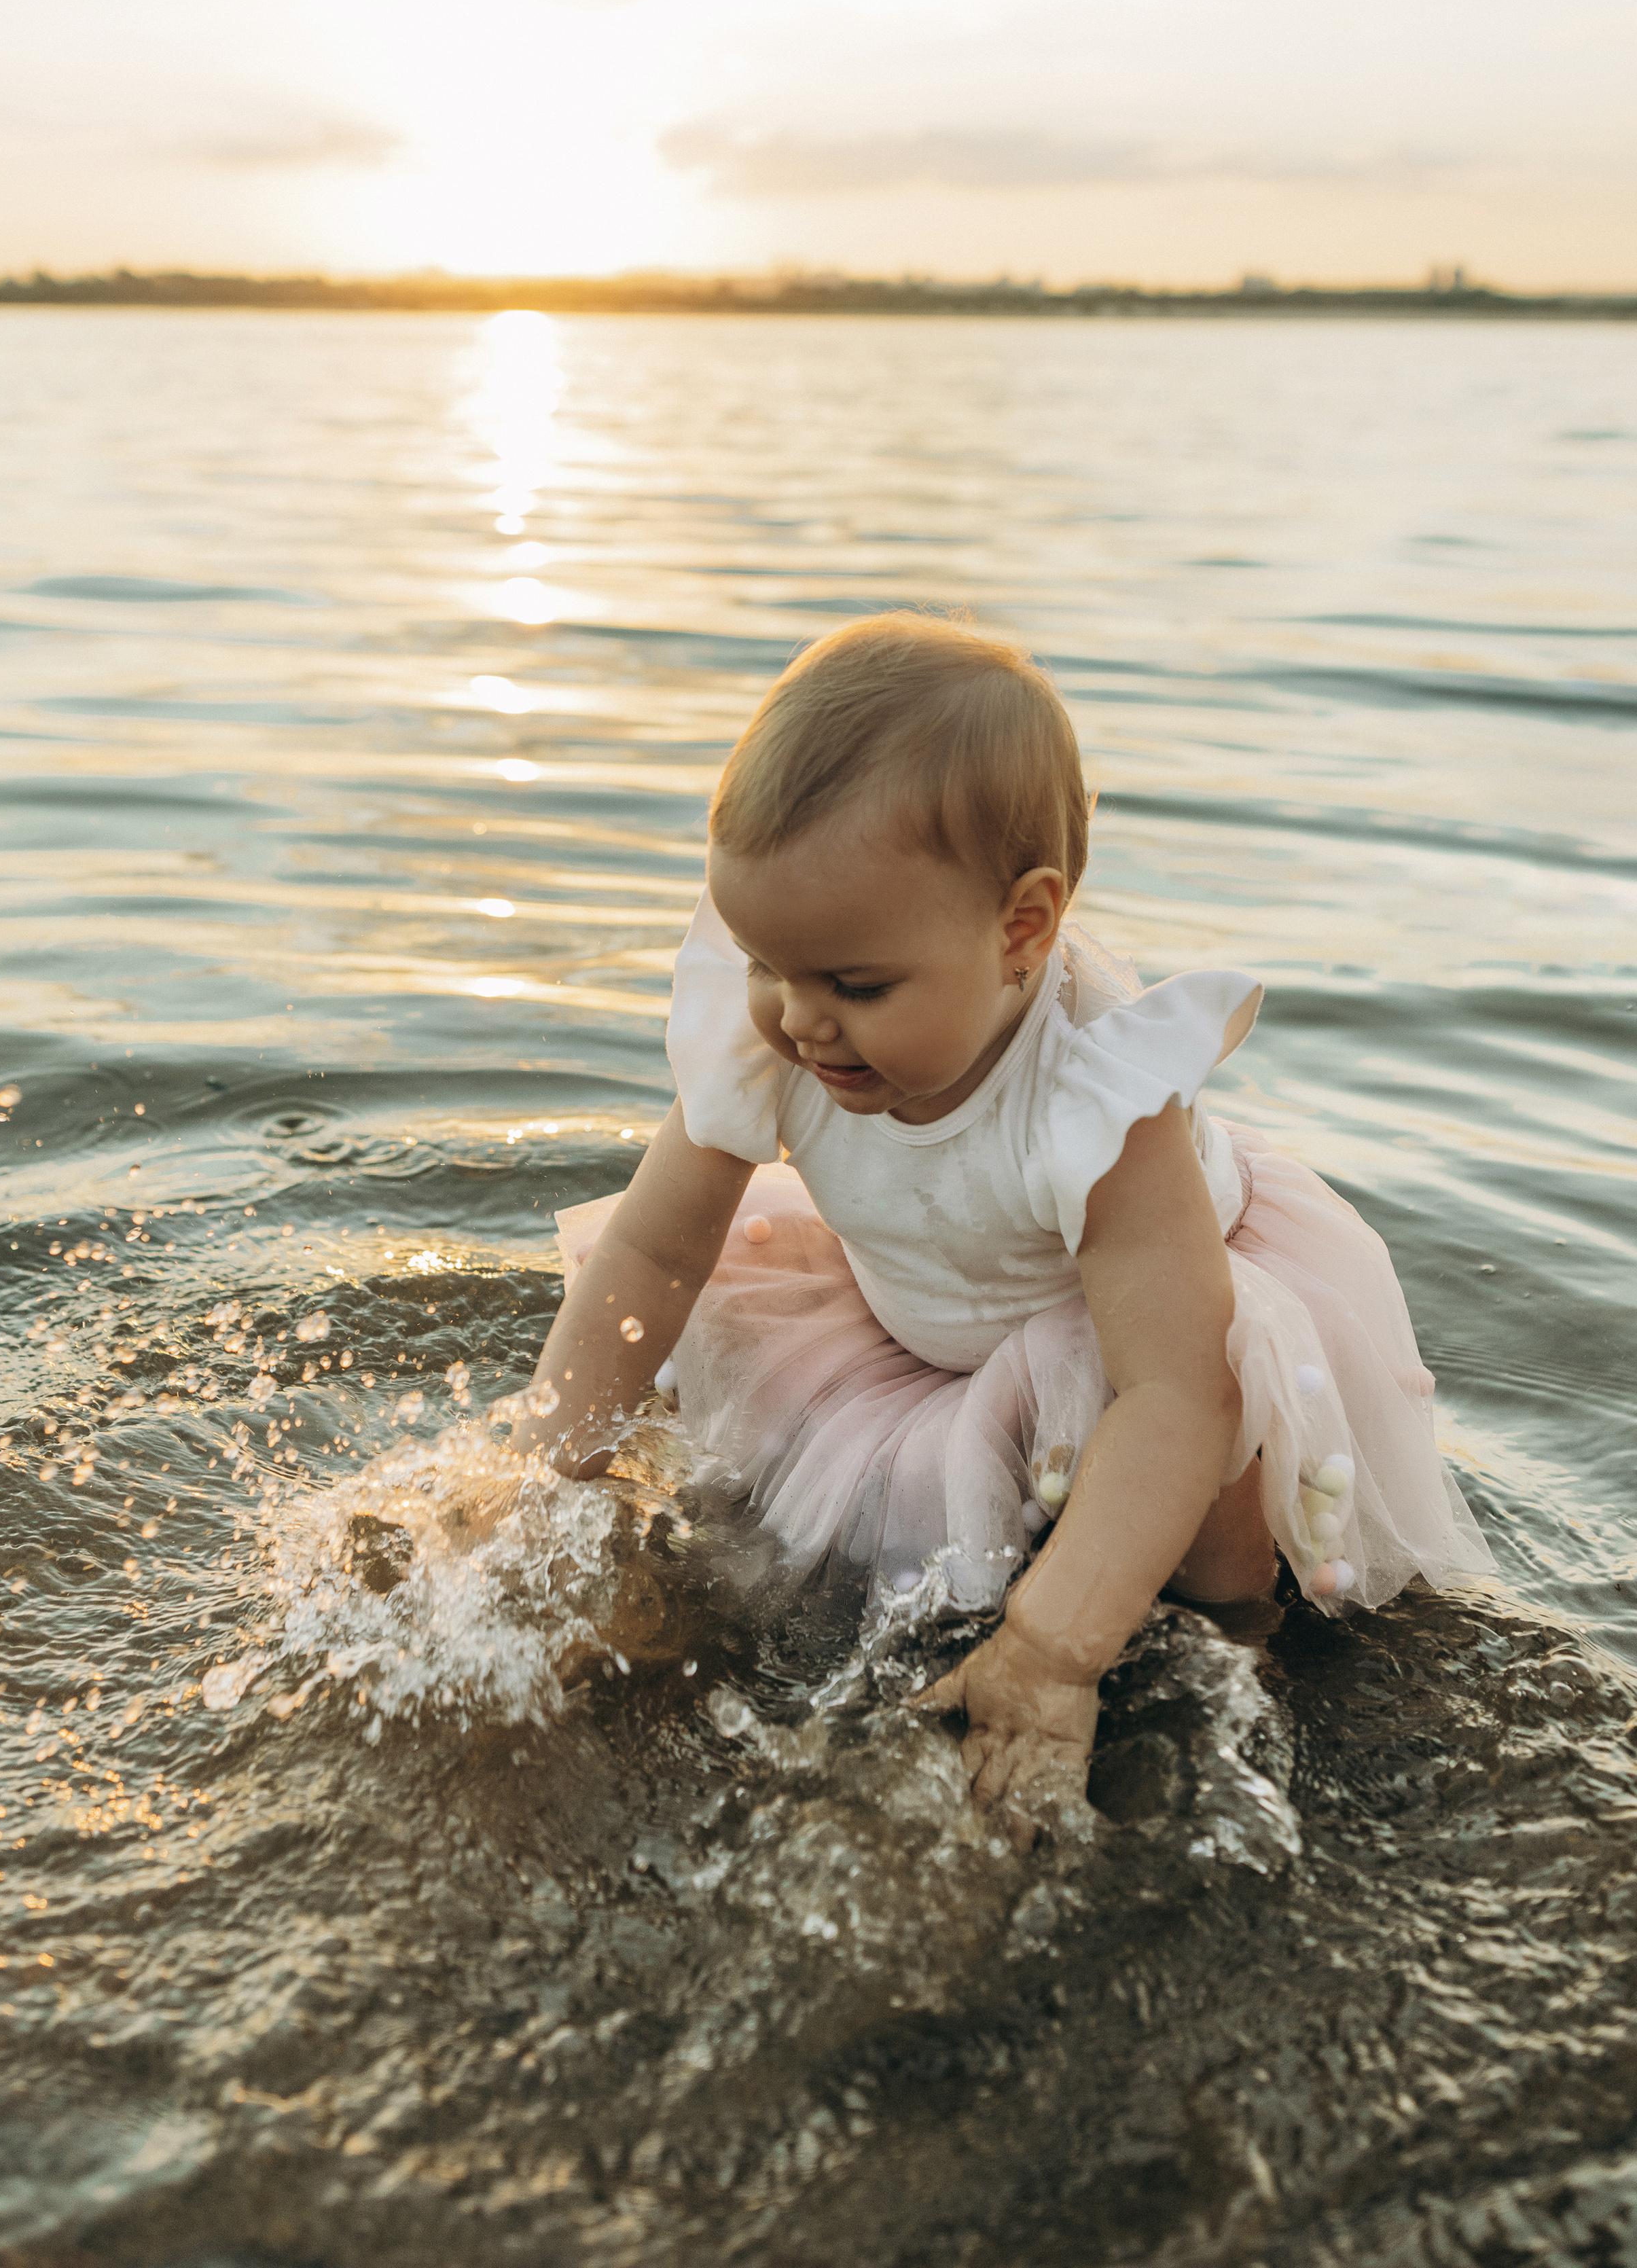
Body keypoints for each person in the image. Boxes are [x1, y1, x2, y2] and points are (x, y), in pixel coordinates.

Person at [513, 613, 1492, 1827]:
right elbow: (655, 1255)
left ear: (1021, 930)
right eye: (768, 963)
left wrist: (1056, 1650)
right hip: (922, 1312)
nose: (799, 1022)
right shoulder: (780, 1025)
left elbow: (1179, 1394)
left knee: (1210, 1529)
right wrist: (539, 1470)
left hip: (1142, 1328)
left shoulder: (1093, 1099)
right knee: (815, 1540)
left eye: (855, 987)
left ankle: (1244, 1670)